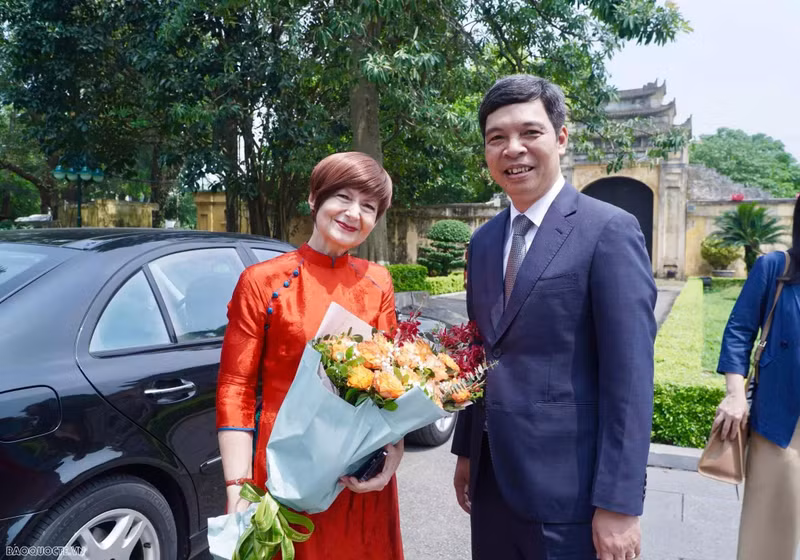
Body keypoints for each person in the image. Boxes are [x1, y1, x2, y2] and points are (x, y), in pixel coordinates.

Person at [451, 74, 657, 560]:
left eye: (530, 133)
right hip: (492, 481)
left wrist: (620, 503)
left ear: (561, 138)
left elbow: (630, 378)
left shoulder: (607, 230)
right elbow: (477, 355)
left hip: (572, 495)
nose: (512, 149)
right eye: (496, 138)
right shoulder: (482, 243)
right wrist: (465, 452)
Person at [216, 152, 404, 559]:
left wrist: (393, 456)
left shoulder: (378, 282)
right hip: (283, 468)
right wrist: (237, 487)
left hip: (357, 474)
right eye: (343, 197)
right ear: (314, 198)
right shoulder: (262, 282)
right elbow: (236, 388)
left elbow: (392, 384)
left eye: (368, 206)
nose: (354, 213)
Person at [714, 194, 800, 560]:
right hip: (783, 426)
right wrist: (735, 394)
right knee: (768, 542)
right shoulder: (775, 268)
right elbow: (738, 331)